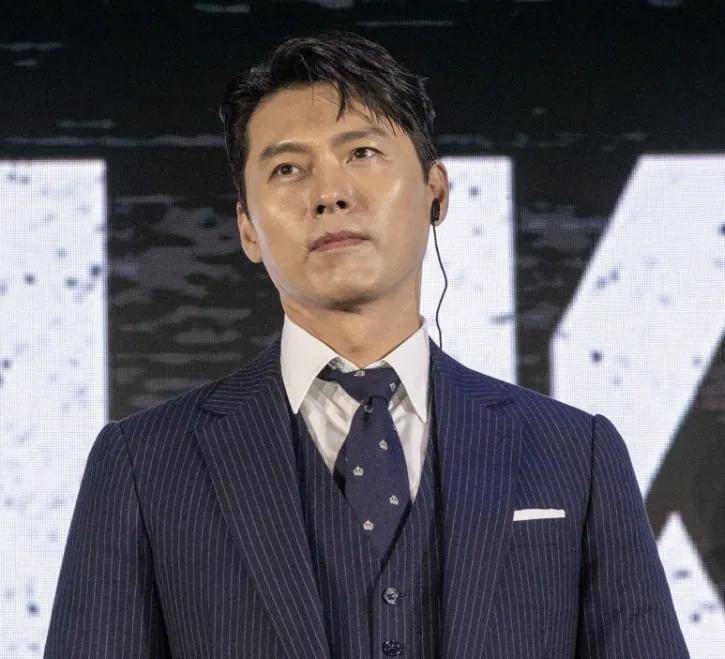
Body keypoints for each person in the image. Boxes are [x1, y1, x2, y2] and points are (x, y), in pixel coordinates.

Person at [44, 30, 689, 658]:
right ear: (247, 228)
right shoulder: (143, 465)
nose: (330, 194)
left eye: (362, 153)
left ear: (435, 192)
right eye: (288, 168)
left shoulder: (576, 454)